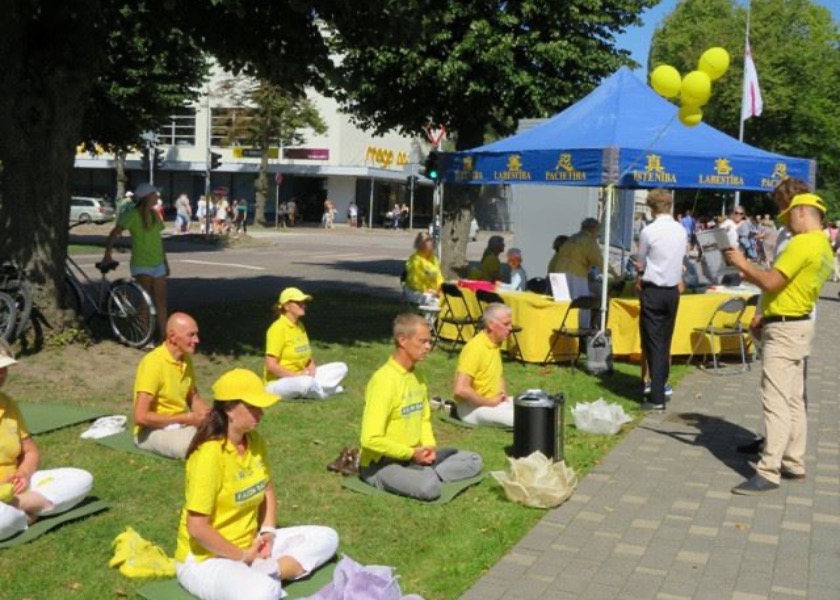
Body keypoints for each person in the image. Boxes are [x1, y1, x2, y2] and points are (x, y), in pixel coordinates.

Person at [175, 368, 339, 600]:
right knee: (262, 592)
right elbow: (197, 528)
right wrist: (242, 556)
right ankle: (263, 577)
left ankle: (271, 570)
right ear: (230, 409)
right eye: (253, 407)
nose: (260, 413)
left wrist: (268, 533)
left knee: (327, 537)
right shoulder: (209, 454)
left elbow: (267, 489)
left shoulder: (255, 441)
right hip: (207, 559)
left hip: (251, 544)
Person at [725, 193, 833, 495]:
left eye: (789, 217)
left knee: (775, 400)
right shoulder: (824, 244)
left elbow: (771, 282)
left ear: (801, 212)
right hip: (800, 325)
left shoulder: (801, 243)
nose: (788, 224)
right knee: (796, 398)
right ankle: (794, 462)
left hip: (784, 329)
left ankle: (768, 469)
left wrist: (743, 264)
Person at [359, 314, 483, 501]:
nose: (428, 347)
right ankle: (426, 476)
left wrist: (428, 447)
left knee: (473, 459)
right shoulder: (383, 381)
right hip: (382, 464)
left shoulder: (418, 376)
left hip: (414, 458)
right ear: (402, 341)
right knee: (428, 488)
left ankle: (424, 473)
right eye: (423, 341)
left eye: (429, 342)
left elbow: (424, 419)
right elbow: (370, 439)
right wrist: (411, 453)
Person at [0, 341, 94, 541]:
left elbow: (30, 452)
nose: (2, 373)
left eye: (5, 368)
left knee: (82, 478)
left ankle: (23, 510)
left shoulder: (8, 405)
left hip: (17, 491)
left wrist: (23, 475)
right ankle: (30, 512)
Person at [133, 313, 211, 459]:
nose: (196, 340)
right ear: (172, 336)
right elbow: (140, 417)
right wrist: (185, 419)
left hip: (180, 425)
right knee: (190, 446)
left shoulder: (186, 360)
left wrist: (212, 416)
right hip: (151, 431)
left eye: (196, 335)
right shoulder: (153, 363)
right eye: (191, 335)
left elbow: (193, 399)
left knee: (225, 430)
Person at [635, 189, 687, 412]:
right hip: (672, 290)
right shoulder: (680, 230)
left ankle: (656, 397)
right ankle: (661, 384)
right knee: (665, 339)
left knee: (653, 342)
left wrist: (640, 270)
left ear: (651, 207)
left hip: (654, 289)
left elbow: (640, 261)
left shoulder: (649, 231)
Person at [103, 182, 168, 341]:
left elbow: (159, 240)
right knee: (146, 303)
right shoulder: (132, 215)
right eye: (154, 194)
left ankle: (164, 338)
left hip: (158, 263)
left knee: (161, 302)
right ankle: (145, 337)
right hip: (142, 263)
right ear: (146, 197)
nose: (157, 197)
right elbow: (114, 233)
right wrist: (107, 255)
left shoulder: (155, 215)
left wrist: (165, 262)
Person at [264, 288, 348, 400]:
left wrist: (312, 371)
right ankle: (324, 394)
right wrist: (296, 376)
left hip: (302, 375)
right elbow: (271, 366)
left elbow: (308, 357)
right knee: (305, 383)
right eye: (298, 303)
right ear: (286, 306)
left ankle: (314, 388)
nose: (303, 305)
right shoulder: (277, 328)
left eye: (303, 302)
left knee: (341, 367)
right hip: (279, 381)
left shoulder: (300, 325)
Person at [451, 304, 515, 427]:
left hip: (493, 402)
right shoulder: (475, 347)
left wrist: (502, 394)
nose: (510, 328)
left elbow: (498, 375)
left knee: (530, 403)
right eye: (506, 324)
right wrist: (489, 403)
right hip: (472, 407)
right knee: (525, 418)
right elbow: (461, 389)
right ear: (491, 325)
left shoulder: (494, 343)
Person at [403, 231, 443, 307]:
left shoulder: (434, 259)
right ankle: (429, 319)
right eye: (428, 241)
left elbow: (439, 278)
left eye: (431, 240)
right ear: (420, 244)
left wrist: (440, 289)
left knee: (447, 299)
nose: (431, 243)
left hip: (433, 291)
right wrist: (429, 291)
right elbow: (415, 283)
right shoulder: (415, 260)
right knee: (433, 301)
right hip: (415, 291)